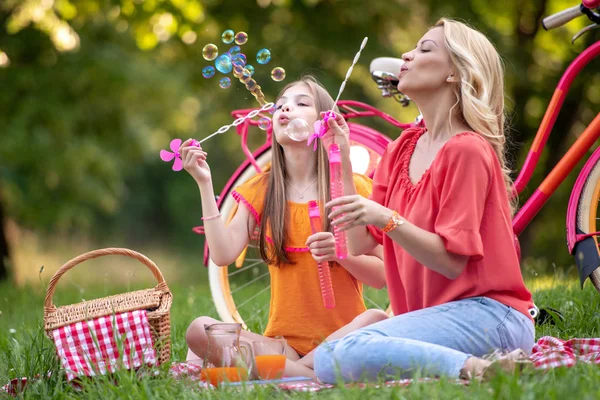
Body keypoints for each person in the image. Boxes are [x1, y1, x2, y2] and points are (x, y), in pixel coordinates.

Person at [313, 18, 535, 383]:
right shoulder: (402, 149)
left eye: (424, 49)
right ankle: (474, 368)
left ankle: (477, 371)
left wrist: (386, 217)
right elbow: (357, 241)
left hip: (490, 318)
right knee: (329, 359)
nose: (406, 54)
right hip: (437, 320)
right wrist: (339, 159)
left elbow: (450, 262)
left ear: (454, 73)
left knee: (341, 355)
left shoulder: (466, 150)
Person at [180, 76, 389, 378]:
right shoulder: (262, 189)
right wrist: (204, 182)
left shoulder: (349, 186)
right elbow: (223, 254)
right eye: (280, 105)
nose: (285, 109)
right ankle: (306, 374)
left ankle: (282, 373)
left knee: (378, 318)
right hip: (282, 345)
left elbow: (382, 276)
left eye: (301, 103)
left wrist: (341, 254)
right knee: (199, 329)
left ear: (325, 121)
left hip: (344, 336)